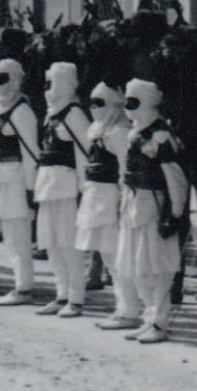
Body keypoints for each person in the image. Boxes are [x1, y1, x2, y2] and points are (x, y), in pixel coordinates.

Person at [116, 78, 189, 344]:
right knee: (138, 266)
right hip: (133, 203)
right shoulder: (135, 132)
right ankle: (149, 318)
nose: (128, 107)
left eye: (133, 102)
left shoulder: (161, 135)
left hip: (154, 205)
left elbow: (175, 176)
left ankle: (160, 321)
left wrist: (176, 211)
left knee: (157, 267)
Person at [36, 61, 91, 317]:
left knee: (69, 244)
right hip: (48, 184)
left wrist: (84, 188)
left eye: (53, 83)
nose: (48, 89)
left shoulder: (73, 114)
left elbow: (86, 153)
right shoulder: (51, 113)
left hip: (68, 186)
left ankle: (76, 297)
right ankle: (62, 293)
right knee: (52, 243)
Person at [81, 82, 137, 331]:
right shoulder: (98, 130)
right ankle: (122, 306)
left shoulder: (119, 132)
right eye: (91, 102)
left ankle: (129, 309)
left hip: (111, 199)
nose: (93, 108)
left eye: (99, 103)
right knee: (107, 255)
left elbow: (126, 171)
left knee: (117, 257)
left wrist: (123, 203)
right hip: (95, 197)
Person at [0, 58, 40, 307]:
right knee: (9, 235)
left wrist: (31, 190)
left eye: (4, 78)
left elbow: (31, 153)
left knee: (19, 236)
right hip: (3, 177)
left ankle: (24, 287)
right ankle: (20, 283)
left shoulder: (21, 111)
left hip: (18, 179)